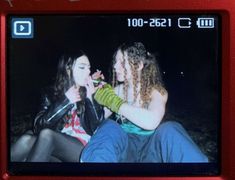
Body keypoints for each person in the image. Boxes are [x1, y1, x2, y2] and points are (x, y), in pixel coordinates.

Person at [80, 42, 209, 162]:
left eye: (122, 62)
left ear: (139, 65)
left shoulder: (157, 92)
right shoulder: (116, 91)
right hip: (124, 149)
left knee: (171, 128)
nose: (115, 66)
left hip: (151, 152)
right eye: (115, 61)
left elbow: (151, 121)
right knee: (109, 126)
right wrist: (90, 96)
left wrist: (115, 103)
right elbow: (96, 122)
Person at [11, 51, 104, 162]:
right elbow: (38, 128)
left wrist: (90, 98)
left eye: (89, 67)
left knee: (47, 135)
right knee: (26, 139)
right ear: (68, 70)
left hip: (83, 147)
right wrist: (65, 102)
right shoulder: (50, 93)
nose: (88, 71)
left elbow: (96, 129)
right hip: (57, 142)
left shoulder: (90, 91)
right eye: (82, 67)